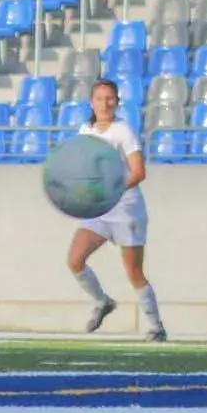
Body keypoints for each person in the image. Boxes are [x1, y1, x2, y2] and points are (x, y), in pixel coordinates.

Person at [68, 79, 166, 341]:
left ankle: (156, 327)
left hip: (126, 208)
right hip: (100, 209)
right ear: (92, 102)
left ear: (117, 102)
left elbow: (138, 172)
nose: (105, 103)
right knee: (75, 260)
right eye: (100, 99)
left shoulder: (123, 131)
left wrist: (112, 188)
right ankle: (103, 302)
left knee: (134, 272)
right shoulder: (85, 130)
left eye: (110, 98)